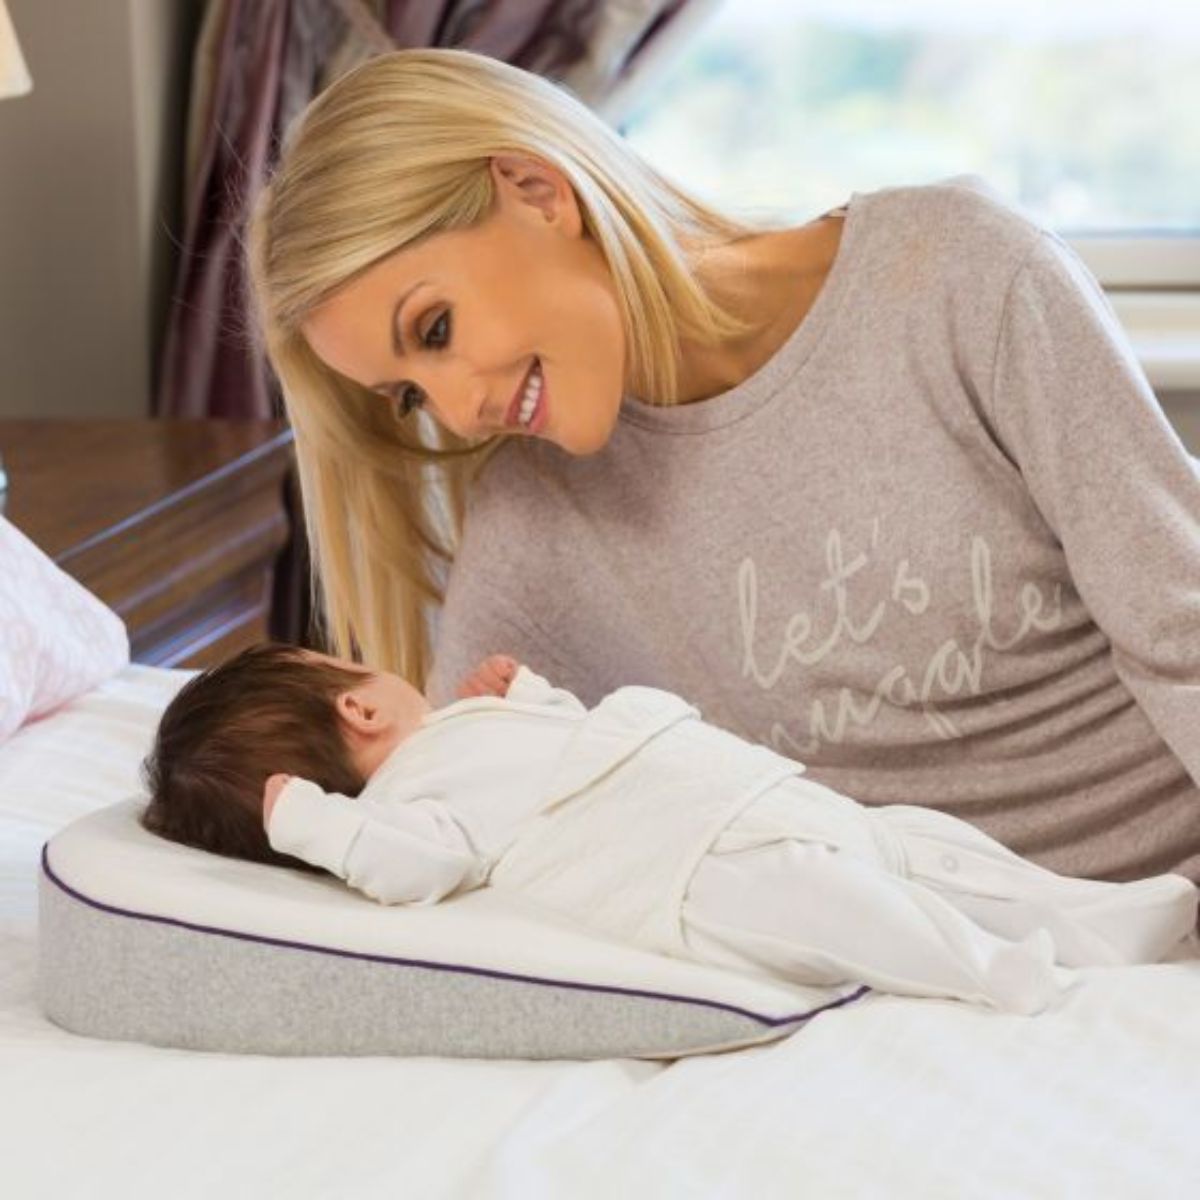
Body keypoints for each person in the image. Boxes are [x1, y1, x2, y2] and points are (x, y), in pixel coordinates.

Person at [244, 48, 1200, 896]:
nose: (455, 411)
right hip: (949, 983)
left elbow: (1182, 634)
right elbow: (456, 809)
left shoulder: (956, 276)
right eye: (408, 394)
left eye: (436, 330)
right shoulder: (534, 530)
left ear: (536, 191)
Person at [139, 642, 1198, 1017]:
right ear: (358, 711)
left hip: (727, 790)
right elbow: (416, 871)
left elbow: (562, 751)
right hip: (691, 866)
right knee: (858, 912)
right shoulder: (408, 807)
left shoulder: (461, 732)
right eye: (350, 665)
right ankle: (1001, 979)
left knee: (915, 845)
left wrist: (530, 693)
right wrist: (314, 826)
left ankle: (1102, 916)